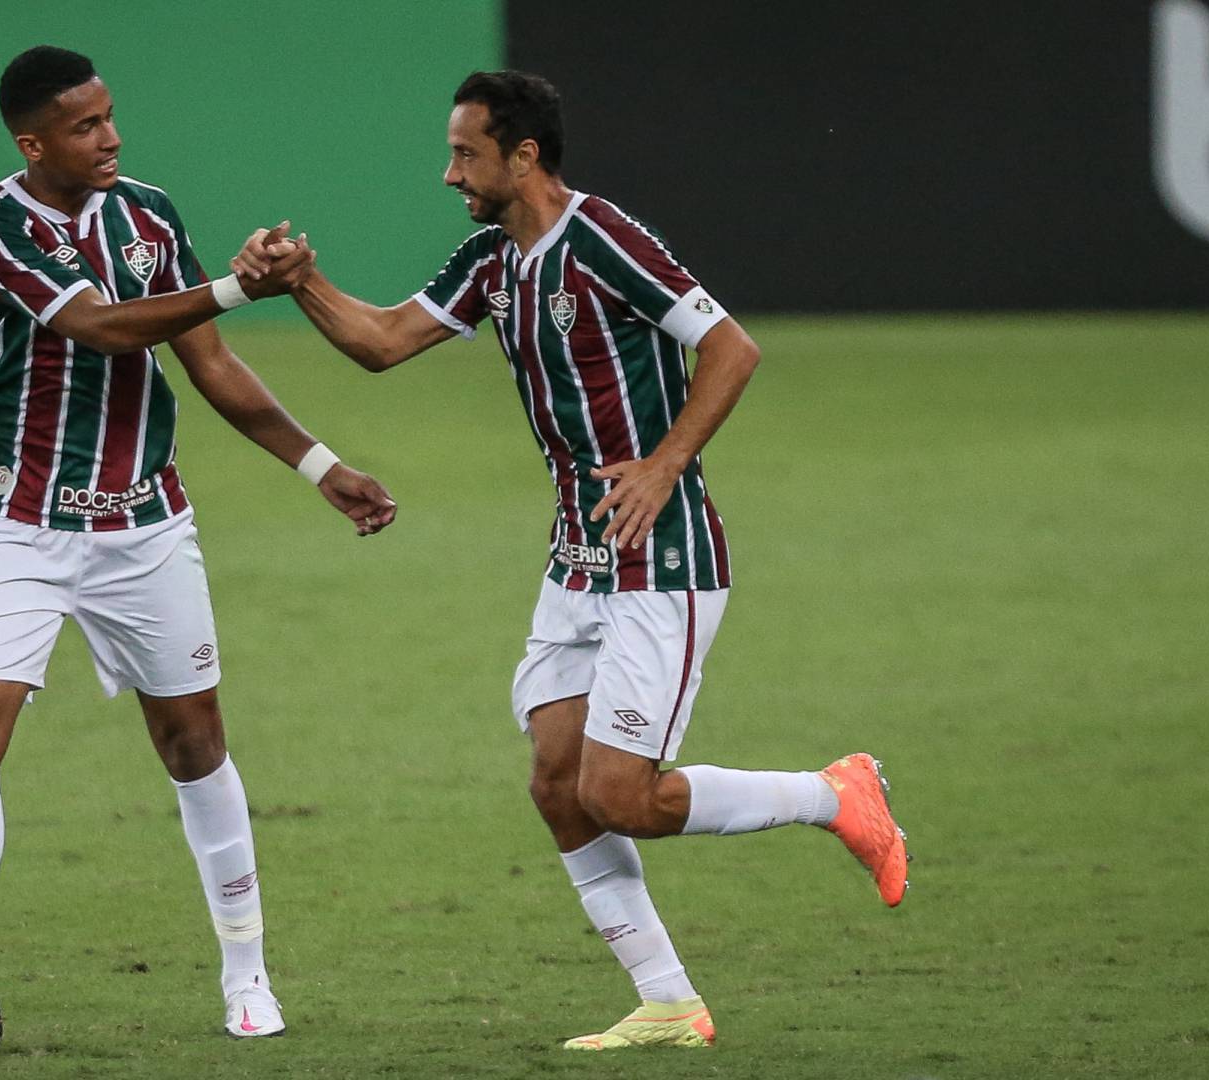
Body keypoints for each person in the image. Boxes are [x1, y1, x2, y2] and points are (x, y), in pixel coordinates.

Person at [232, 69, 908, 1051]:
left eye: (466, 154)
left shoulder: (603, 241)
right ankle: (669, 1003)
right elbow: (379, 342)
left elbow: (731, 348)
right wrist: (299, 282)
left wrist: (665, 464)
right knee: (558, 782)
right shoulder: (491, 261)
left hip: (660, 558)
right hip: (576, 563)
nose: (449, 172)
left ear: (524, 156)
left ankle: (835, 795)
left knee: (621, 796)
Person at [0, 45, 397, 1049]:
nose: (111, 137)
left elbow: (210, 364)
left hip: (144, 527)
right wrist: (239, 285)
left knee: (193, 743)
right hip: (17, 522)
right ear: (33, 142)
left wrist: (320, 467)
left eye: (110, 117)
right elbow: (103, 328)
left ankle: (248, 977)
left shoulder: (147, 213)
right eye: (86, 126)